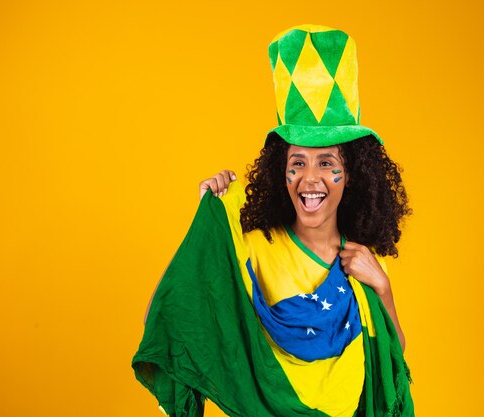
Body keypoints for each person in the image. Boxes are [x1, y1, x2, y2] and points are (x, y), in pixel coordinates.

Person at [133, 24, 415, 417]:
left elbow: (391, 363)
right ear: (279, 170)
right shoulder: (252, 243)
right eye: (296, 162)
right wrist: (206, 235)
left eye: (327, 163)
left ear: (352, 175)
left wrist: (382, 288)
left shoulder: (363, 262)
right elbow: (167, 316)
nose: (310, 179)